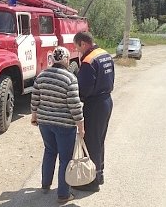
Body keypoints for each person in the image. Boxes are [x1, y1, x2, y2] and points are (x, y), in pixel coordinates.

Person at [30, 46, 85, 204]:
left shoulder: (41, 76)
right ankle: (63, 194)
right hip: (64, 125)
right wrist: (81, 126)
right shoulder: (70, 78)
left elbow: (35, 99)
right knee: (65, 159)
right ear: (67, 60)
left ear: (52, 59)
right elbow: (75, 105)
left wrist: (34, 116)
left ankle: (45, 184)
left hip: (45, 123)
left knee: (49, 151)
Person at [72, 31, 114, 192]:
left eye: (77, 47)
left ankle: (91, 182)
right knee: (99, 140)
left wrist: (76, 100)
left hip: (95, 104)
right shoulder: (104, 54)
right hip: (106, 101)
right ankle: (99, 174)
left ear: (83, 43)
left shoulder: (89, 61)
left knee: (91, 142)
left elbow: (84, 88)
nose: (78, 51)